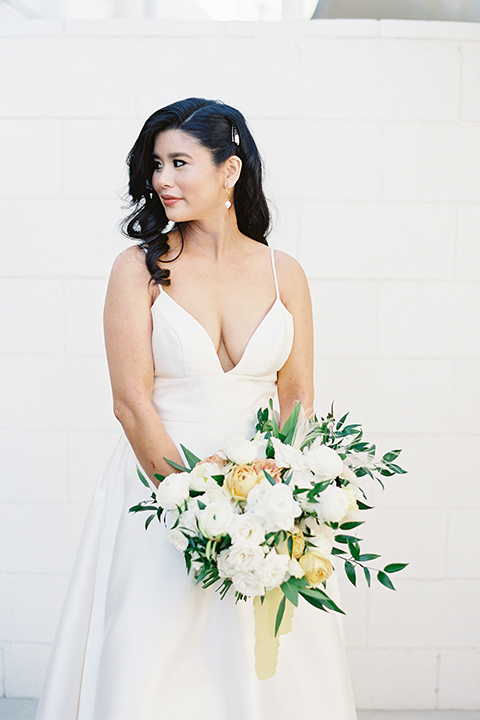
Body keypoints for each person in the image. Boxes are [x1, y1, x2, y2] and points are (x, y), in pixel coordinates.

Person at [35, 98, 358, 720]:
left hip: (265, 495)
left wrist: (280, 496)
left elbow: (297, 394)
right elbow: (131, 404)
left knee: (271, 666)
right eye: (155, 165)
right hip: (159, 486)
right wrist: (189, 501)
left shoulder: (283, 272)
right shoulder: (138, 270)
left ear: (230, 171)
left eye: (179, 162)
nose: (162, 180)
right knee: (154, 660)